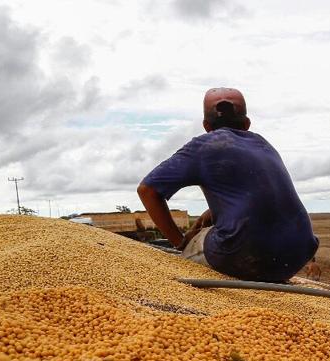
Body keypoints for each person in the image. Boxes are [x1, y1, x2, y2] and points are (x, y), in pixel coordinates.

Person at [136, 87, 318, 282]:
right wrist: (211, 213)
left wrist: (179, 242)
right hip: (297, 254)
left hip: (247, 255)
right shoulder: (263, 144)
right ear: (247, 124)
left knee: (187, 256)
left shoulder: (204, 145)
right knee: (212, 229)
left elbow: (147, 190)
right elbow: (260, 197)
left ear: (206, 126)